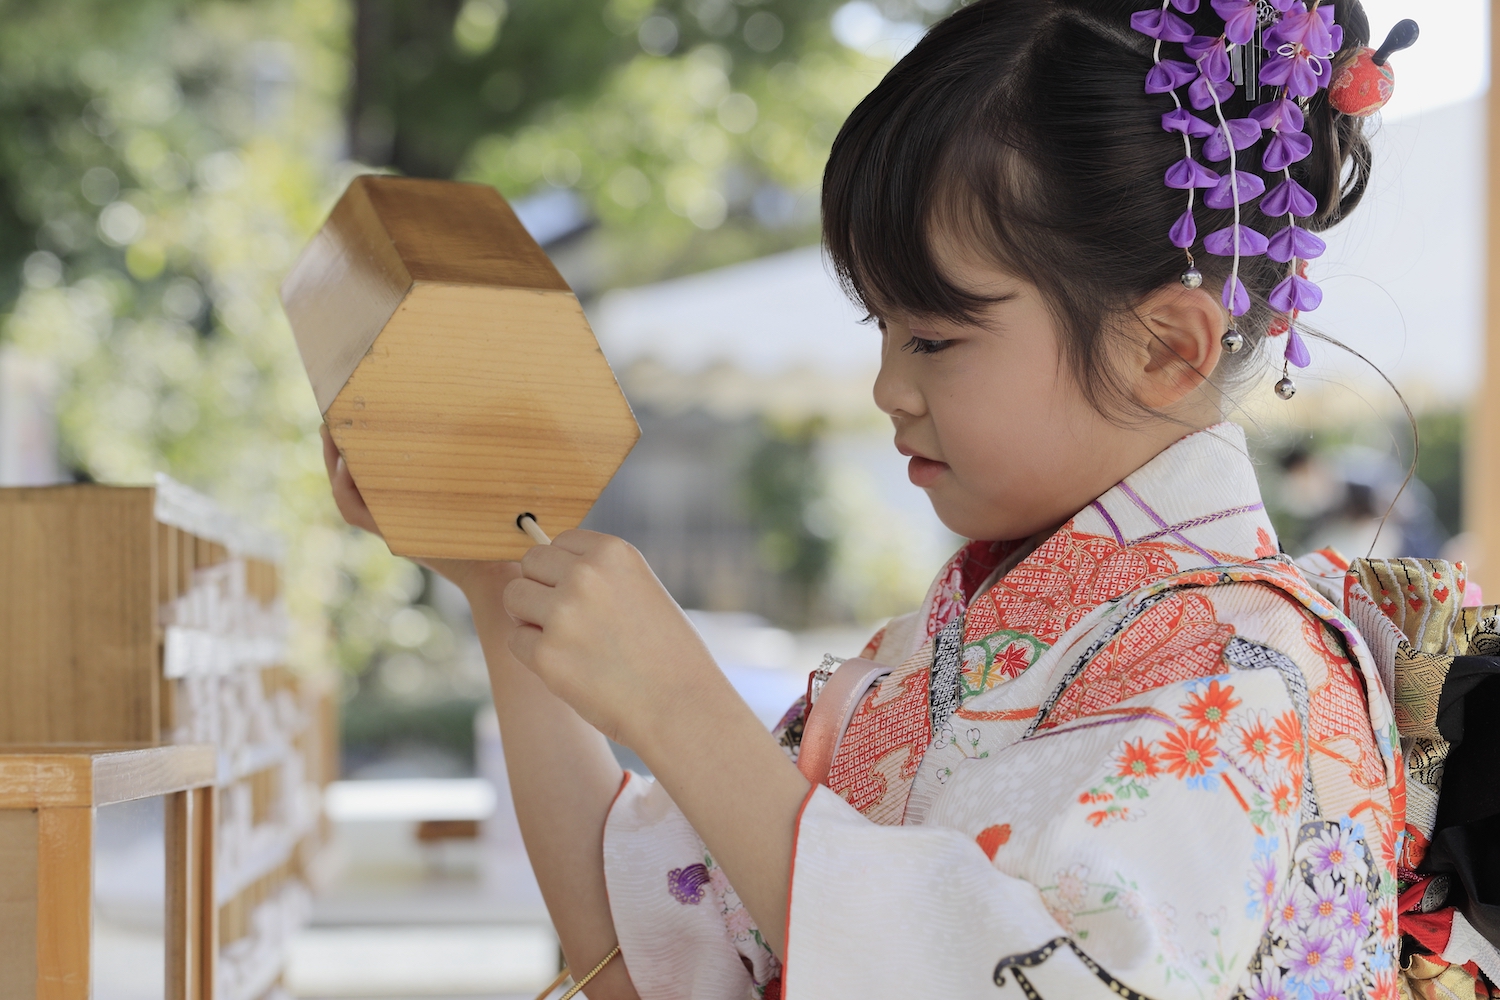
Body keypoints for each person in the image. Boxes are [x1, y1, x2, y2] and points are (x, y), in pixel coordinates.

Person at [323, 0, 1411, 996]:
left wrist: (683, 709)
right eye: (881, 329)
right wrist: (493, 573)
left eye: (933, 337)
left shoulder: (1246, 677)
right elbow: (646, 952)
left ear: (1167, 346)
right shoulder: (949, 644)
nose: (890, 387)